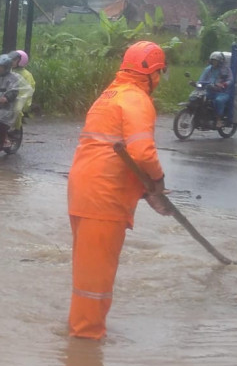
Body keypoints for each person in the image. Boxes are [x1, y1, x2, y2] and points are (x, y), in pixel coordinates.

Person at [66, 41, 171, 340]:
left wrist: (144, 190)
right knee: (94, 284)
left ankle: (79, 331)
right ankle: (85, 350)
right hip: (104, 198)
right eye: (160, 73)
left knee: (86, 276)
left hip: (83, 192)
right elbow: (142, 153)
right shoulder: (136, 99)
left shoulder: (109, 95)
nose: (160, 80)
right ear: (150, 73)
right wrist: (158, 182)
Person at [197, 51, 233, 128]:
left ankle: (219, 120)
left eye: (216, 60)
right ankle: (202, 117)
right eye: (212, 60)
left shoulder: (226, 69)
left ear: (220, 61)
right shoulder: (208, 69)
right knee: (199, 98)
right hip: (209, 91)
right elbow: (201, 79)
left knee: (218, 101)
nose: (214, 62)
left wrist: (224, 84)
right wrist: (196, 83)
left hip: (222, 92)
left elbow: (230, 79)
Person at [8, 49, 35, 130]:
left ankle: (16, 129)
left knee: (16, 110)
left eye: (14, 60)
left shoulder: (27, 75)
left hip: (21, 99)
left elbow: (27, 90)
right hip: (9, 96)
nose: (12, 62)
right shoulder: (8, 71)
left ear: (21, 61)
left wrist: (18, 97)